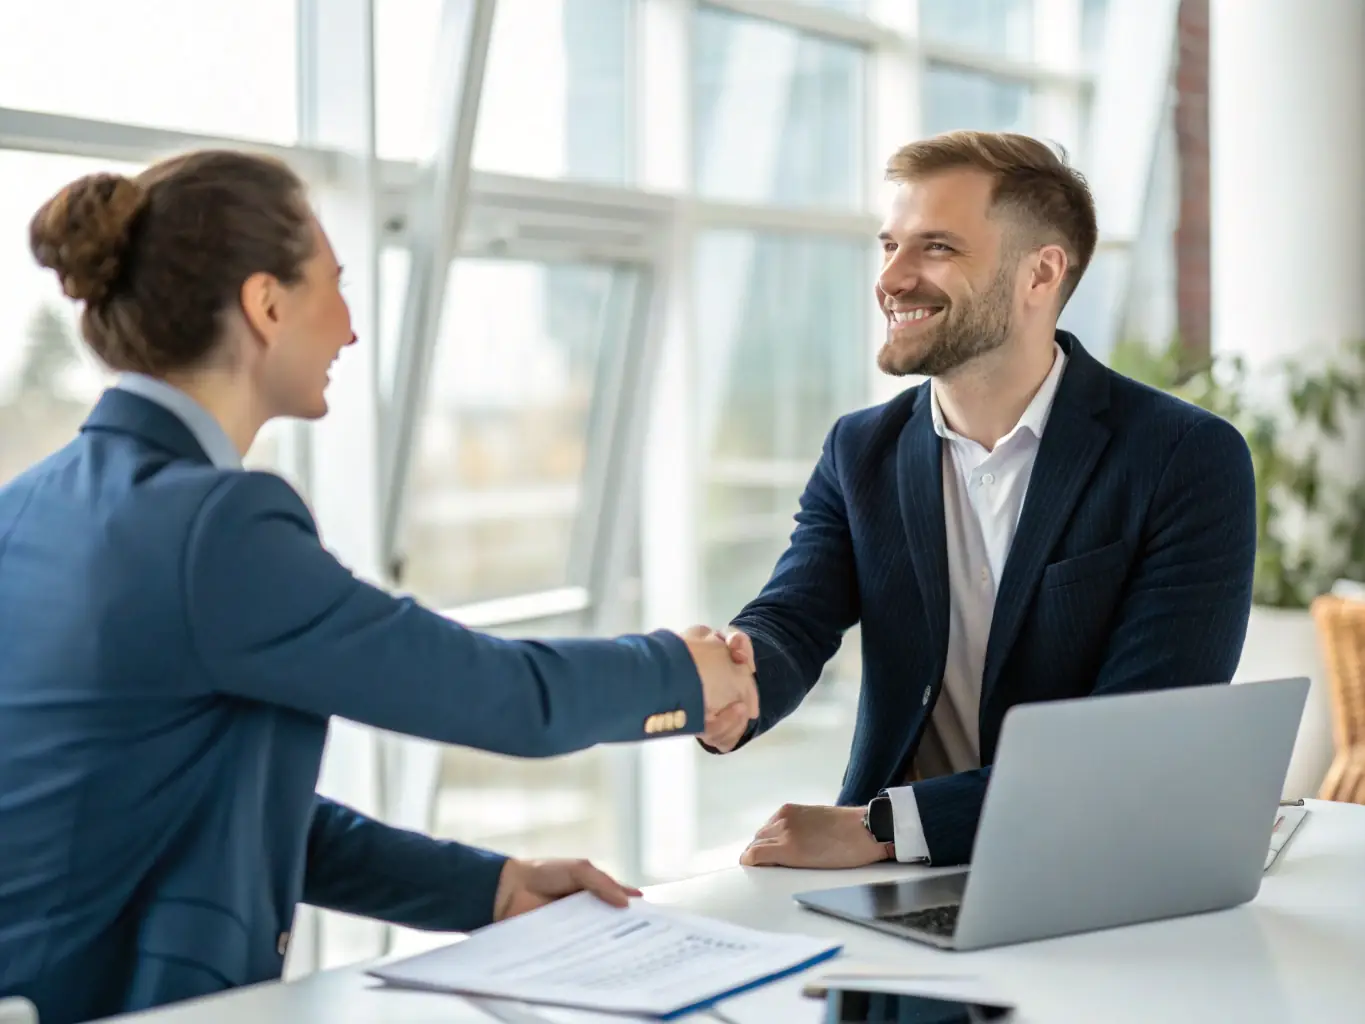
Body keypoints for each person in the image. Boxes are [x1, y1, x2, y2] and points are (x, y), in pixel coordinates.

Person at [0, 150, 758, 1024]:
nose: (350, 328)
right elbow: (505, 698)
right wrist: (686, 675)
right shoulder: (215, 529)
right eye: (336, 283)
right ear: (267, 304)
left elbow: (218, 816)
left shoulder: (33, 504)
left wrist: (493, 889)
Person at [696, 131, 1257, 872]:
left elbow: (1133, 737)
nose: (891, 279)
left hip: (1092, 871)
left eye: (935, 248)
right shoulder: (859, 450)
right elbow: (793, 619)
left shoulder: (1183, 457)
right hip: (892, 879)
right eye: (888, 245)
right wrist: (731, 683)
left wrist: (881, 827)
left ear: (1040, 274)